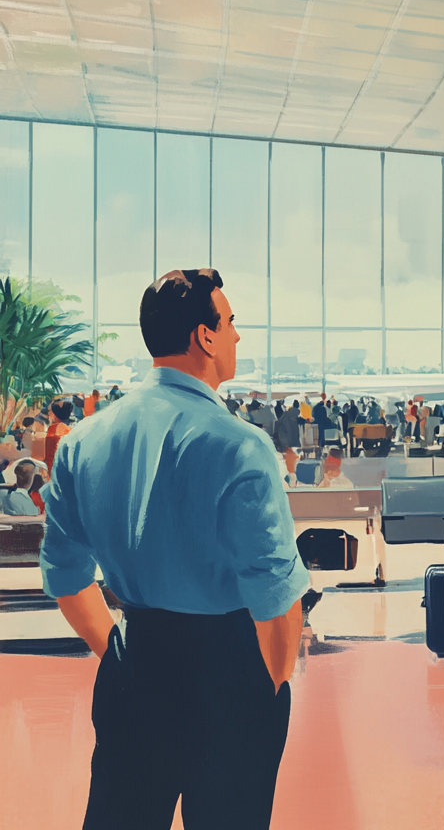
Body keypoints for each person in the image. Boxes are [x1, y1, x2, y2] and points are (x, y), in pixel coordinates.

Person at [40, 269, 308, 829]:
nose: (236, 336)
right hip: (228, 673)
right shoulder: (241, 446)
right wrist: (271, 685)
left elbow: (66, 576)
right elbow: (276, 599)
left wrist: (117, 649)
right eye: (230, 323)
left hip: (136, 661)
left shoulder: (84, 441)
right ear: (203, 338)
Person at [44, 399, 73, 473]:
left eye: (50, 411)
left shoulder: (52, 429)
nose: (48, 414)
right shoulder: (69, 429)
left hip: (53, 470)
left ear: (55, 415)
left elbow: (49, 455)